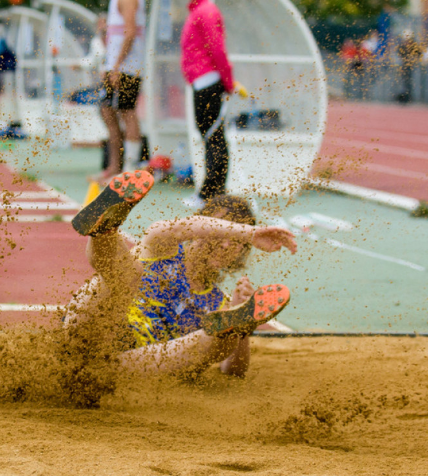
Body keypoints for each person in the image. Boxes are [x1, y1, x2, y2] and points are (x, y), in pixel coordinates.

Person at [64, 170, 297, 377]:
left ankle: (232, 328)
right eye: (222, 232)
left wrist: (242, 327)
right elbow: (171, 229)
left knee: (212, 340)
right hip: (90, 330)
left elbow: (232, 369)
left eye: (236, 242)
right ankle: (104, 227)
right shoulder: (162, 250)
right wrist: (249, 233)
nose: (226, 245)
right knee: (128, 274)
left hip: (125, 367)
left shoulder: (219, 303)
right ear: (204, 226)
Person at [180, 0, 244, 209]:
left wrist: (227, 81)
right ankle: (211, 192)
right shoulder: (199, 10)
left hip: (209, 80)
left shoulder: (206, 10)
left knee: (213, 136)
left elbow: (217, 48)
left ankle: (212, 193)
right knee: (209, 135)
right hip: (202, 80)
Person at [94, 0, 147, 183]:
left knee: (127, 113)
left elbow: (130, 33)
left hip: (126, 68)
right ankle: (114, 167)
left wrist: (117, 66)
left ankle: (129, 170)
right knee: (108, 113)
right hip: (115, 66)